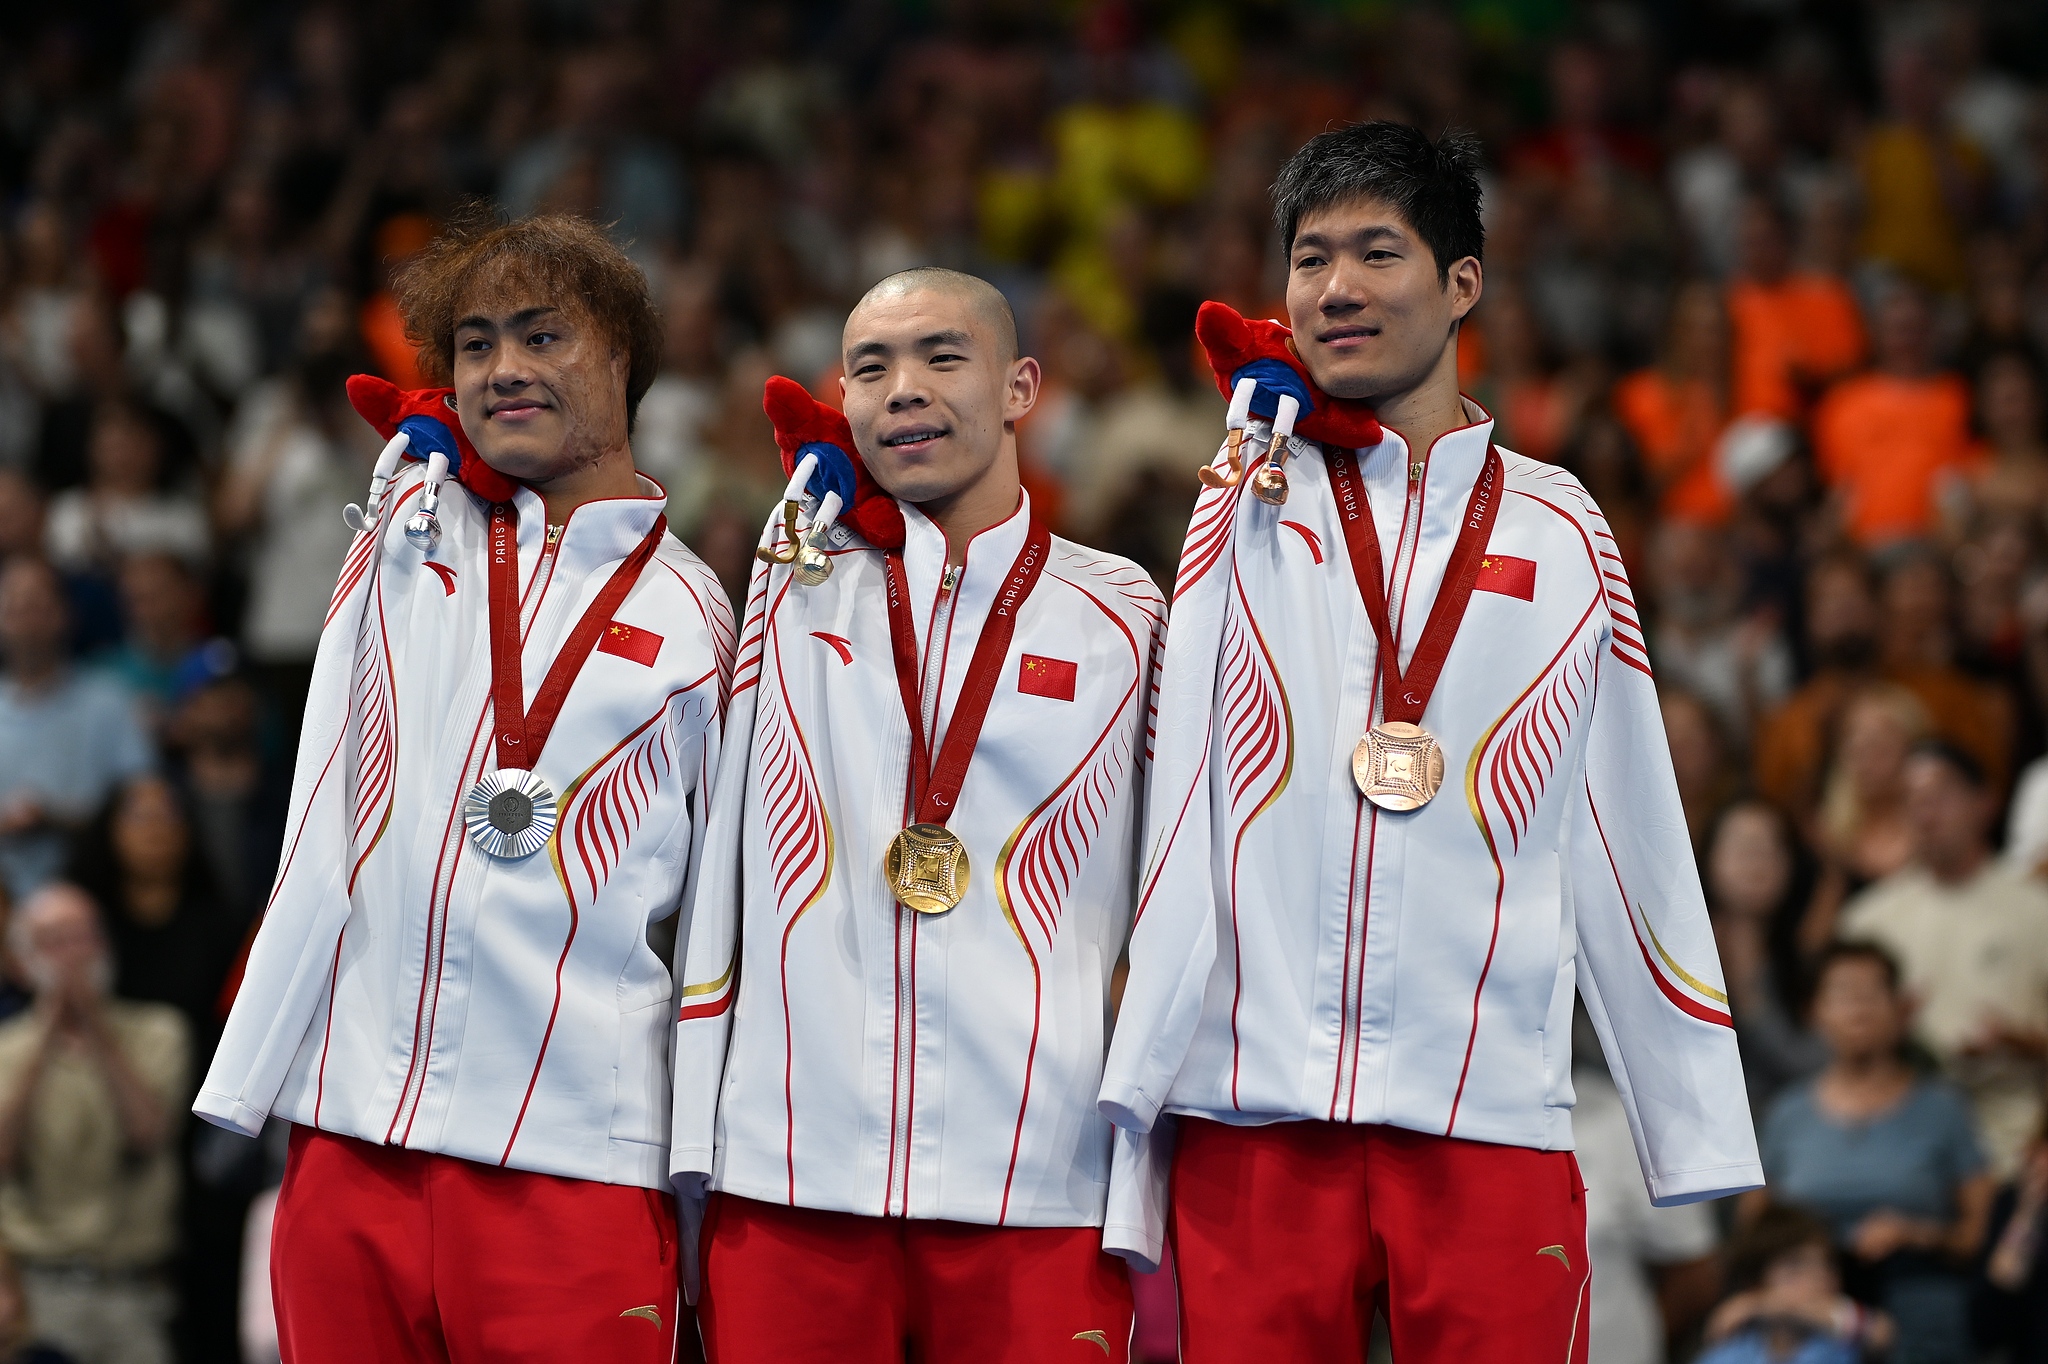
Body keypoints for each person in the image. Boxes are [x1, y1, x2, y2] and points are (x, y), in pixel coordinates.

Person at [1104, 121, 1761, 1363]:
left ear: (1462, 283)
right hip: (1254, 1110)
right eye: (1307, 258)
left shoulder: (1564, 531)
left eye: (1375, 252)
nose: (1335, 288)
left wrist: (1690, 1120)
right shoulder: (1240, 496)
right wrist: (1138, 1078)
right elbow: (1174, 780)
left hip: (1484, 1106)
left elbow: (1628, 825)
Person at [193, 212, 734, 1363]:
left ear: (624, 354)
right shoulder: (407, 538)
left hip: (574, 1155)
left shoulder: (700, 615)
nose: (505, 368)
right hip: (349, 1138)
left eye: (544, 335)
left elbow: (718, 915)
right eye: (476, 344)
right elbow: (324, 803)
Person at [675, 267, 1163, 1362]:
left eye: (942, 356)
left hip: (1037, 1174)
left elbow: (1169, 888)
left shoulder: (1123, 611)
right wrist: (697, 1139)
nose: (902, 389)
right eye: (870, 367)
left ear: (1019, 385)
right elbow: (715, 878)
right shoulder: (788, 588)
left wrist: (1140, 1136)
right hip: (791, 1166)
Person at [1754, 942, 1992, 1364]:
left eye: (1873, 994)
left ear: (1901, 1009)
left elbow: (1979, 1234)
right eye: (1842, 994)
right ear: (1814, 1011)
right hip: (1807, 1304)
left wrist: (1919, 1233)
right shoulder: (1788, 1112)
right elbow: (1754, 1231)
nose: (1858, 1009)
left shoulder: (1943, 1107)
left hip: (1918, 1292)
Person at [1840, 741, 2048, 1177]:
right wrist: (1890, 1028)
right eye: (1911, 800)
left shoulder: (2036, 908)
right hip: (1900, 1148)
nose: (1925, 813)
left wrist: (2018, 1043)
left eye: (1940, 796)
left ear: (1985, 803)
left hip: (2014, 1142)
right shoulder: (1867, 919)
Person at [0, 884, 187, 1364]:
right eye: (55, 941)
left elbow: (148, 1133)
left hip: (134, 1289)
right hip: (37, 1291)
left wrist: (95, 1028)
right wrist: (46, 1033)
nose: (73, 956)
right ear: (23, 961)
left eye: (85, 936)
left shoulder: (159, 1031)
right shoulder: (6, 1051)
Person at [0, 559, 155, 901]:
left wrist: (58, 819)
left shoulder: (109, 701)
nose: (26, 621)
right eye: (14, 607)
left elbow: (142, 800)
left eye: (37, 606)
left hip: (97, 891)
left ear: (64, 614)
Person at [1697, 1203, 1894, 1364]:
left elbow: (1881, 1333)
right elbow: (1717, 1330)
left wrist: (1763, 1304)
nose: (1819, 1278)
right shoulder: (1738, 1349)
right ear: (1755, 1282)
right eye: (1795, 1268)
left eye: (1827, 1265)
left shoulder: (1842, 1335)